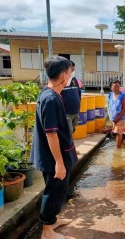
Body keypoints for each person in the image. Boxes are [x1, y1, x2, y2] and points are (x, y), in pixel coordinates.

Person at [30, 56, 78, 239]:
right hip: (52, 156)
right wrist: (59, 162)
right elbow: (51, 134)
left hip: (56, 154)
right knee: (54, 191)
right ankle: (47, 232)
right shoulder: (50, 99)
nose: (71, 76)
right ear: (63, 75)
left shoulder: (51, 94)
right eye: (70, 72)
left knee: (59, 189)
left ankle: (53, 220)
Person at [61, 60, 81, 135]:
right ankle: (67, 145)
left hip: (75, 111)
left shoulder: (74, 79)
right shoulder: (61, 80)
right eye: (71, 70)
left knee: (73, 129)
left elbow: (79, 93)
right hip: (67, 112)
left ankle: (69, 144)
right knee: (68, 131)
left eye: (73, 70)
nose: (72, 71)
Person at [108, 79, 125, 148]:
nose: (116, 88)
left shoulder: (123, 96)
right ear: (111, 87)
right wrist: (111, 117)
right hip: (114, 118)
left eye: (118, 86)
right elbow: (109, 105)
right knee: (116, 132)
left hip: (121, 117)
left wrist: (118, 118)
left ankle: (118, 149)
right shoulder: (110, 94)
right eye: (114, 86)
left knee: (118, 133)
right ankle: (119, 145)